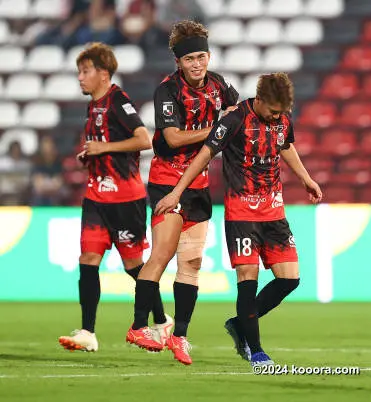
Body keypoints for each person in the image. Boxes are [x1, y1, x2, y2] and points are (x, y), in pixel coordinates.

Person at [154, 73, 323, 367]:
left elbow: (286, 146)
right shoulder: (234, 120)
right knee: (248, 278)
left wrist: (306, 178)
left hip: (274, 212)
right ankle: (256, 350)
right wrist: (176, 192)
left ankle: (239, 322)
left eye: (280, 113)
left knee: (290, 279)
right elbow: (205, 155)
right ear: (258, 100)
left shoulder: (281, 118)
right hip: (241, 212)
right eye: (271, 111)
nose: (276, 117)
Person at [126, 19, 239, 365]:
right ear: (178, 62)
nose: (196, 64)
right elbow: (173, 138)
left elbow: (238, 116)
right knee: (161, 255)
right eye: (189, 59)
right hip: (166, 181)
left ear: (208, 56)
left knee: (191, 264)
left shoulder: (220, 85)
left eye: (201, 57)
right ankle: (137, 327)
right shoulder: (168, 90)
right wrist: (217, 129)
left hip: (199, 185)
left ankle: (180, 337)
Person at [59, 42, 171, 352]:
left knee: (134, 267)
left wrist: (103, 148)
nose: (80, 77)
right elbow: (104, 146)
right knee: (88, 260)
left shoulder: (118, 101)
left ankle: (161, 321)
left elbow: (143, 139)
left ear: (103, 73)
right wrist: (90, 156)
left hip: (126, 200)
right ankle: (88, 332)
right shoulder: (93, 105)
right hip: (97, 197)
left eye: (85, 71)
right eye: (79, 72)